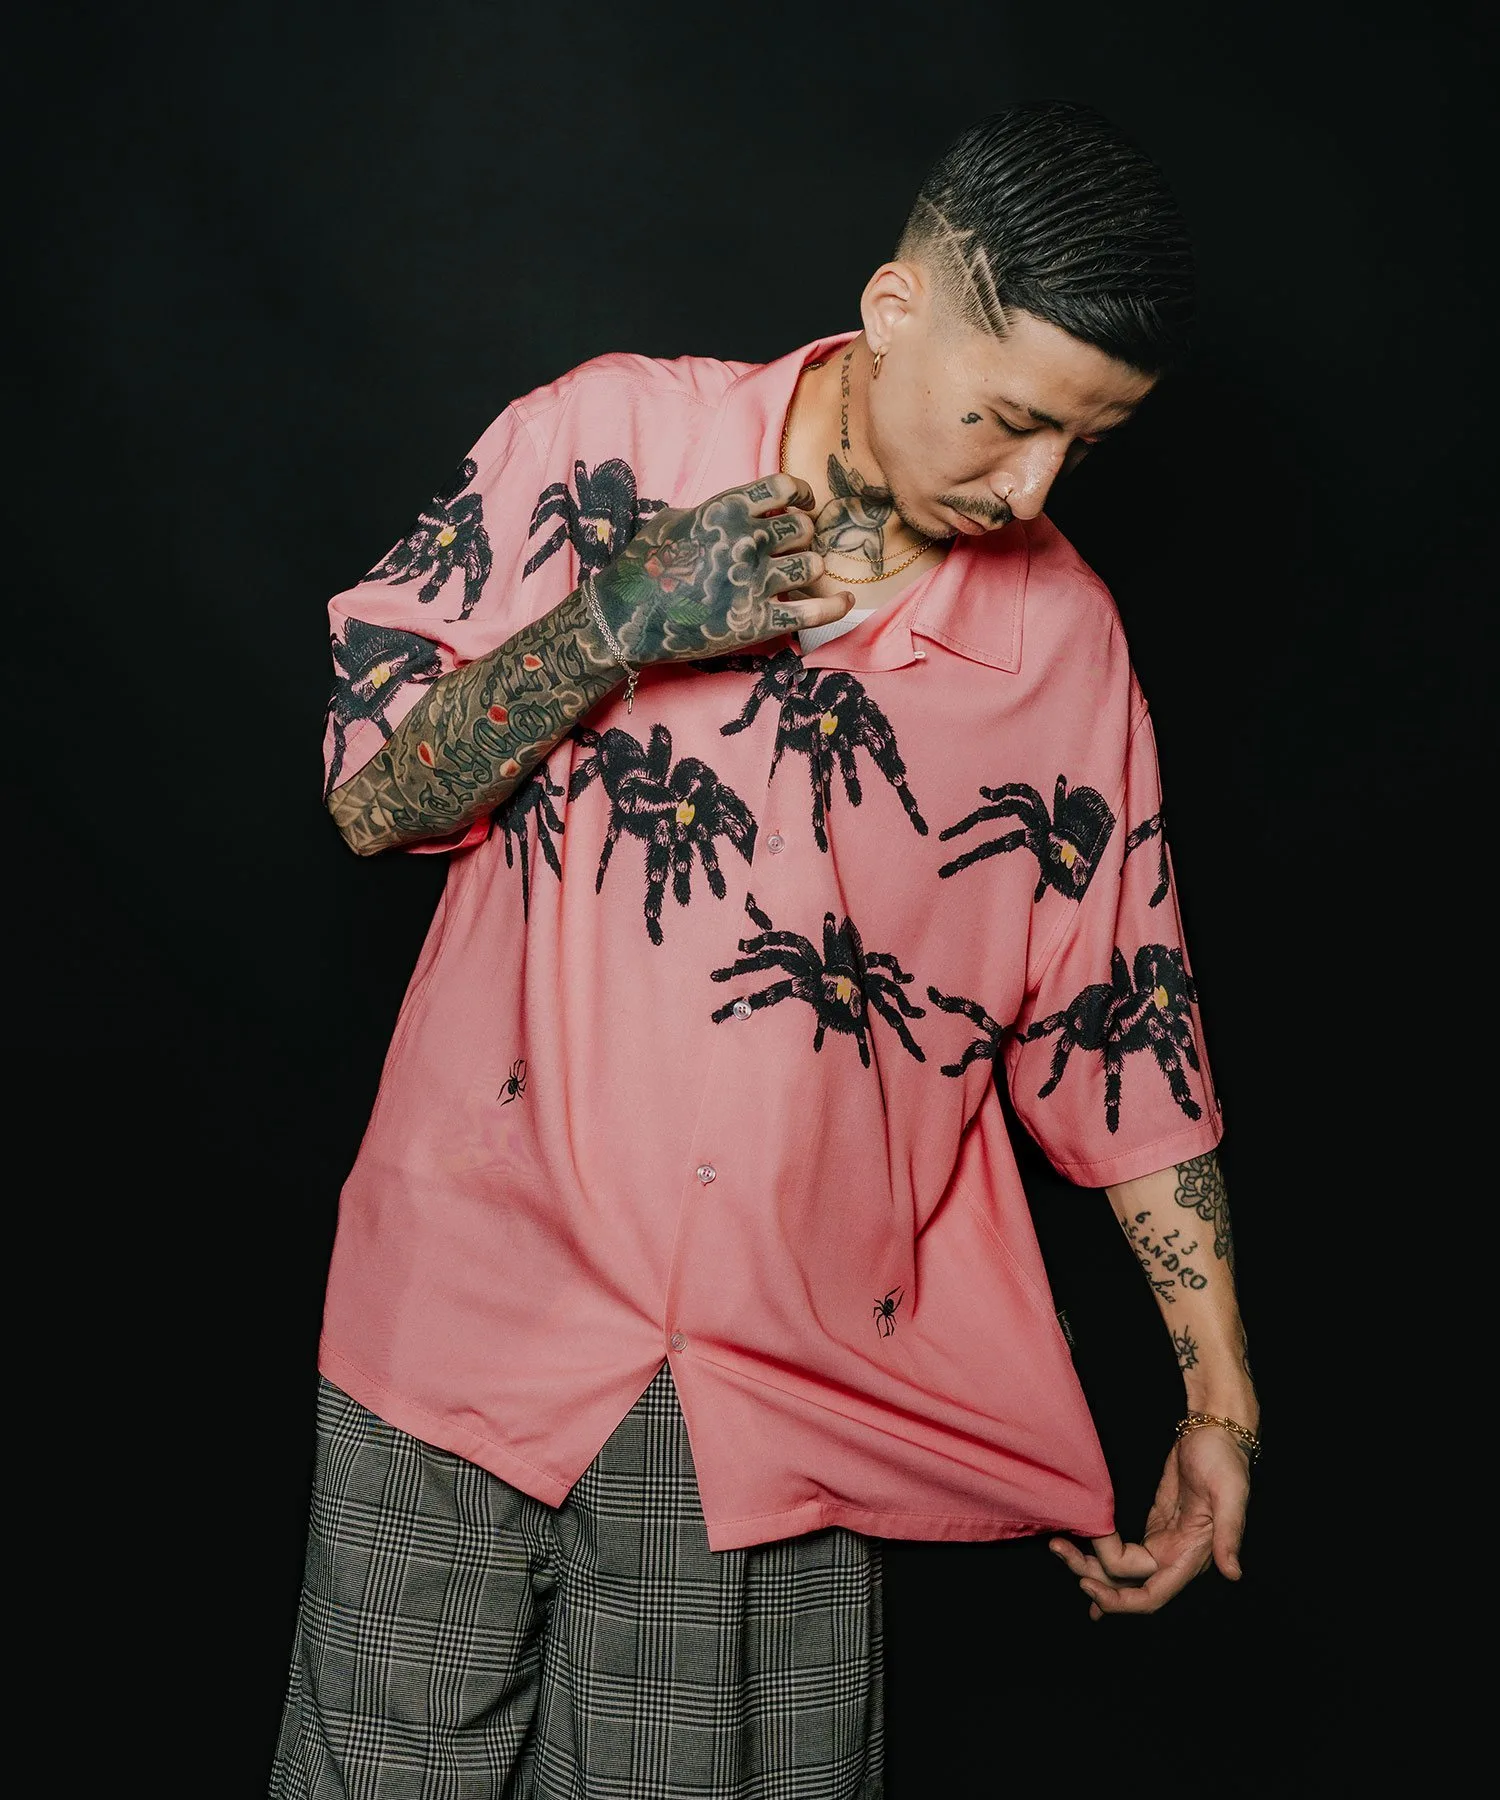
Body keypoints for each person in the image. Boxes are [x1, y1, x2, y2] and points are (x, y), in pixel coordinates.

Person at [271, 99, 1258, 1799]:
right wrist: (611, 624)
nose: (1032, 486)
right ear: (894, 309)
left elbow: (1121, 1029)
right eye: (1012, 419)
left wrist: (1219, 1402)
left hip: (776, 1394)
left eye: (1082, 448)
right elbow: (370, 795)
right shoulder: (605, 441)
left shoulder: (1065, 645)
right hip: (461, 1314)